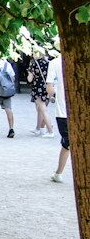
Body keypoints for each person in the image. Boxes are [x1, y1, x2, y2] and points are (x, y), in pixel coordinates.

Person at [46, 47, 69, 183]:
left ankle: (59, 173)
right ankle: (58, 172)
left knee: (68, 142)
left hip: (63, 111)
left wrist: (53, 96)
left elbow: (49, 87)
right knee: (67, 144)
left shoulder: (54, 63)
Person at [27, 49, 54, 136]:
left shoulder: (34, 63)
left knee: (42, 110)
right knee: (40, 110)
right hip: (47, 87)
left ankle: (50, 130)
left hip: (38, 88)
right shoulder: (48, 63)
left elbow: (29, 79)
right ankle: (39, 128)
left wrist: (29, 72)